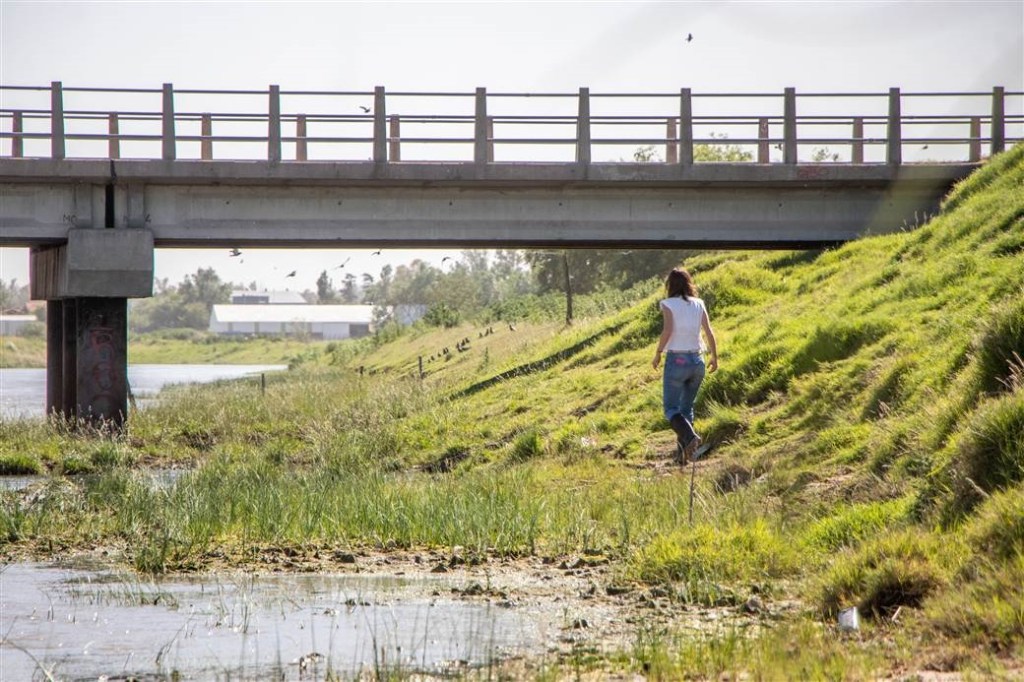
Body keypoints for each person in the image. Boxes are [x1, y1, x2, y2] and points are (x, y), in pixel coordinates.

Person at [652, 268, 718, 464]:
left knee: (671, 409)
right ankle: (683, 456)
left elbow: (668, 330)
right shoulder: (699, 303)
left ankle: (690, 438)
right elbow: (709, 332)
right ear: (689, 283)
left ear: (670, 285)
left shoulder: (668, 304)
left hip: (677, 360)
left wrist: (657, 354)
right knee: (686, 408)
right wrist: (714, 356)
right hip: (698, 360)